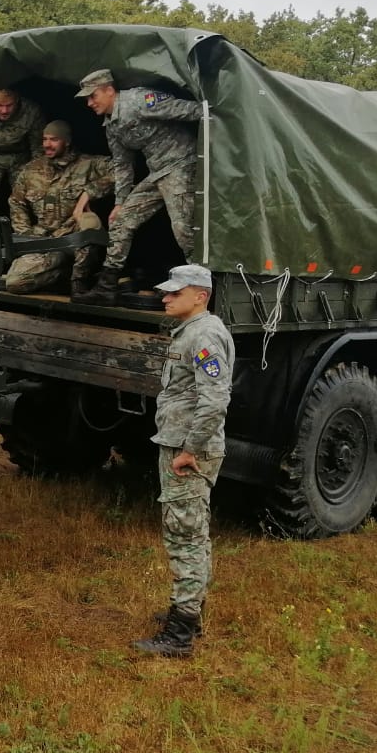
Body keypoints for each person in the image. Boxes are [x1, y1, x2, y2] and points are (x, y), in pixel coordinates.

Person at [132, 264, 233, 658]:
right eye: (167, 292)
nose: (166, 297)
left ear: (200, 296)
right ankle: (190, 613)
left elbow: (215, 399)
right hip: (181, 442)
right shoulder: (191, 331)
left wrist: (191, 448)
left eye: (176, 292)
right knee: (193, 530)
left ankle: (179, 637)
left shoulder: (205, 334)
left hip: (189, 449)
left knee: (185, 534)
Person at [73, 69, 202, 305]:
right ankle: (106, 286)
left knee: (183, 229)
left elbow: (186, 110)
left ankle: (201, 288)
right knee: (121, 221)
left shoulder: (140, 100)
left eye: (93, 96)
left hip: (182, 163)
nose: (90, 103)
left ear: (110, 90)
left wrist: (216, 113)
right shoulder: (111, 126)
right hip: (157, 172)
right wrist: (120, 203)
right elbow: (122, 166)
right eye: (87, 99)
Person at [2, 122, 113, 294]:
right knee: (15, 283)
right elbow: (17, 203)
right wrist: (26, 234)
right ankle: (62, 275)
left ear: (66, 142)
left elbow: (120, 169)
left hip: (75, 238)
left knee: (89, 224)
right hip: (44, 241)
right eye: (45, 139)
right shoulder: (32, 170)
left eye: (53, 139)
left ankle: (79, 282)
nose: (47, 144)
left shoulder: (88, 164)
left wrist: (89, 193)